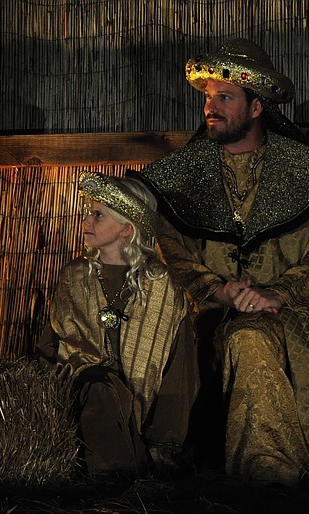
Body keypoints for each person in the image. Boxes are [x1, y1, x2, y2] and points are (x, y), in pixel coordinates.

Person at [134, 38, 309, 486]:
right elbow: (171, 253)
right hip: (206, 313)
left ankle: (269, 478)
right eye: (207, 97)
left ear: (257, 107)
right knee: (223, 336)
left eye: (224, 97)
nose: (210, 108)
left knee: (252, 336)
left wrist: (277, 292)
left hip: (294, 315)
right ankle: (248, 477)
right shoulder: (179, 177)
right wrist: (215, 289)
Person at [36, 172, 199, 479]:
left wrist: (164, 439)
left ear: (127, 228)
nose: (86, 222)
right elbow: (50, 346)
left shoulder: (160, 285)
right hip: (81, 400)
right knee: (99, 388)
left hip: (141, 410)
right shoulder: (73, 277)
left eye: (98, 215)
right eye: (88, 213)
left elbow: (180, 368)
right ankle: (113, 483)